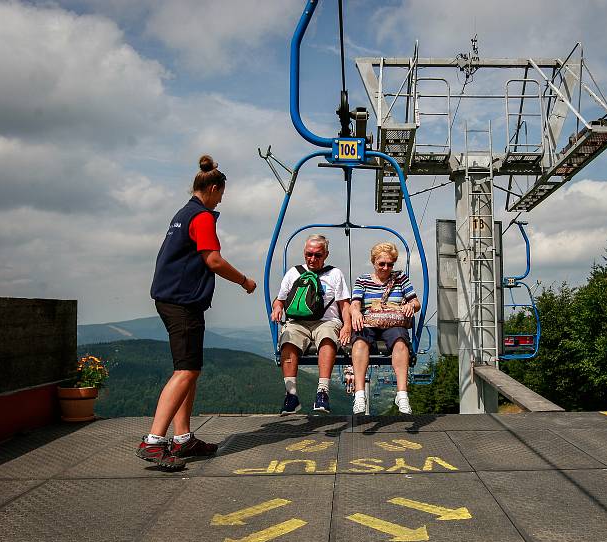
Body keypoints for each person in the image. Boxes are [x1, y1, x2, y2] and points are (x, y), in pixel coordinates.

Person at [136, 155, 256, 471]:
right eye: (221, 194)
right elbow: (212, 260)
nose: (221, 200)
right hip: (182, 301)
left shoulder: (182, 213)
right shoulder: (201, 216)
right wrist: (244, 280)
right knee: (185, 371)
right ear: (214, 188)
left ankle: (183, 438)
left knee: (190, 368)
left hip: (171, 298)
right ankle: (153, 442)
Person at [271, 234, 351, 414]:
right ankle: (291, 395)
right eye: (309, 254)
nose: (312, 259)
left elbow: (344, 304)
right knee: (288, 340)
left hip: (326, 321)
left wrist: (347, 326)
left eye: (317, 255)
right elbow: (280, 299)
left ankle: (322, 392)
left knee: (328, 337)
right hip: (298, 322)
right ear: (304, 253)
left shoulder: (334, 274)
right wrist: (277, 308)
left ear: (326, 255)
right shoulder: (294, 272)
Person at [350, 242, 420, 415]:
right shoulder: (363, 280)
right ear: (374, 262)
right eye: (382, 264)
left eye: (390, 264)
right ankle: (359, 395)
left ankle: (402, 395)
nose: (386, 268)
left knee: (401, 342)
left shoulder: (400, 278)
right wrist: (356, 313)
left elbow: (416, 302)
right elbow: (355, 303)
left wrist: (411, 306)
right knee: (360, 342)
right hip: (369, 322)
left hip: (393, 323)